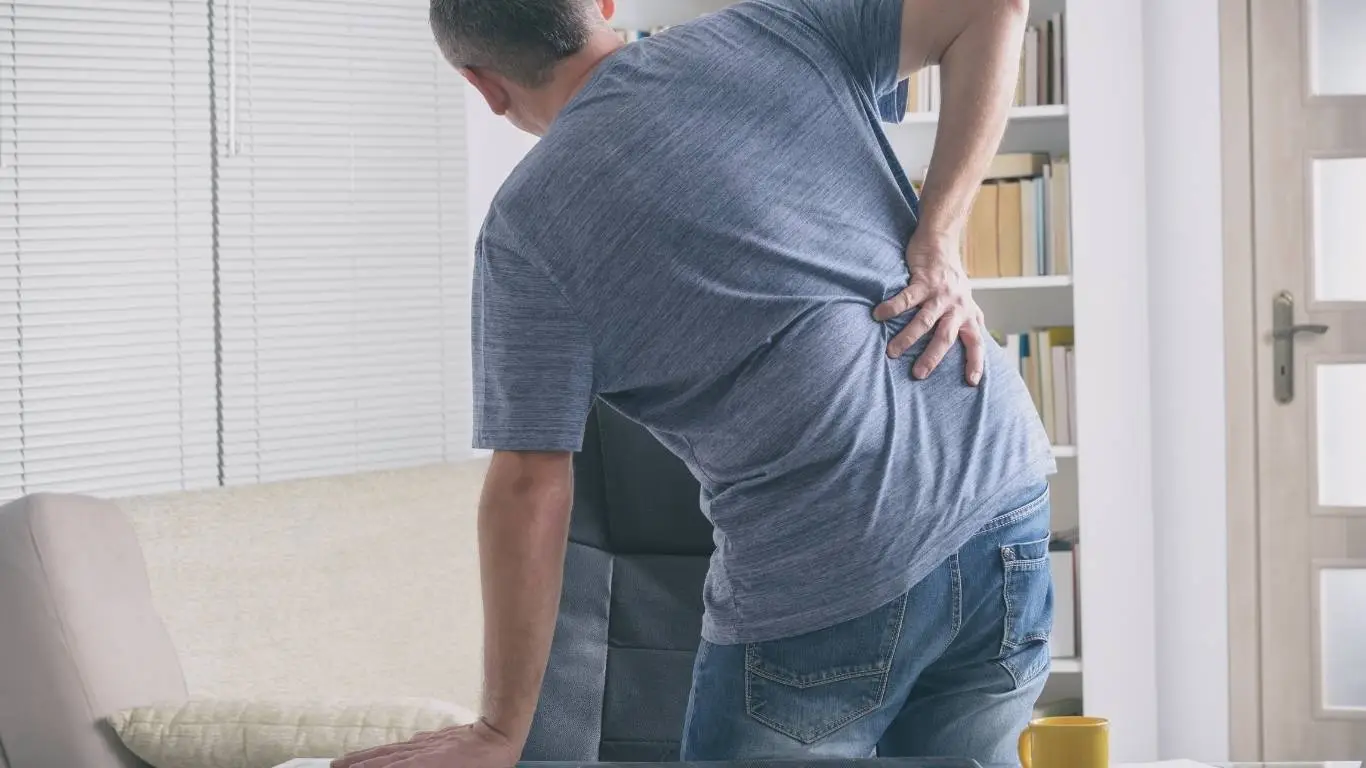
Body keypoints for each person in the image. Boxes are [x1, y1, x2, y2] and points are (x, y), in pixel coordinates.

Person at [335, 0, 1054, 765]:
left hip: (830, 552)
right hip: (1000, 489)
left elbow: (528, 484)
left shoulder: (527, 231)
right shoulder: (772, 27)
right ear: (605, 5)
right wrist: (938, 237)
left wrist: (501, 730)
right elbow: (993, 7)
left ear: (483, 86)